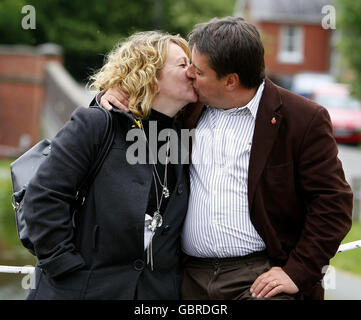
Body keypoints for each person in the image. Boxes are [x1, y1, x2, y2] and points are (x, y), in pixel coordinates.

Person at [99, 17, 353, 300]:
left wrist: (299, 270)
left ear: (231, 80)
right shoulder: (186, 107)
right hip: (185, 276)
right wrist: (110, 96)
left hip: (260, 278)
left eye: (199, 70)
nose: (190, 75)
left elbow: (333, 203)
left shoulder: (303, 119)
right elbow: (133, 113)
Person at [23, 31, 198, 300]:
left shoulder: (183, 134)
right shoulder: (97, 124)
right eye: (182, 64)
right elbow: (44, 197)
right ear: (149, 73)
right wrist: (64, 267)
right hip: (80, 290)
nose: (192, 71)